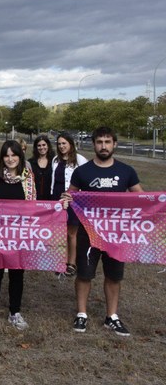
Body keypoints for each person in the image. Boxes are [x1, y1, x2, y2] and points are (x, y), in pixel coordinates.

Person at [66, 127, 142, 336]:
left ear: (114, 144)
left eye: (108, 142)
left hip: (116, 235)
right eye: (100, 142)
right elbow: (70, 196)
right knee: (84, 274)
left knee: (114, 276)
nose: (104, 146)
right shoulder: (83, 172)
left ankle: (112, 316)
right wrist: (65, 200)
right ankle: (82, 314)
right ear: (94, 144)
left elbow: (141, 198)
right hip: (88, 233)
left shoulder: (127, 171)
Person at [0, 140, 36, 330]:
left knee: (17, 273)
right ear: (2, 158)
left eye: (14, 155)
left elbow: (34, 208)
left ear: (20, 157)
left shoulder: (28, 179)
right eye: (7, 155)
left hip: (19, 235)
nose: (10, 159)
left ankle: (15, 312)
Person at [51, 133, 88, 277]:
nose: (61, 146)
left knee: (72, 233)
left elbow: (85, 180)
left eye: (64, 143)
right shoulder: (55, 160)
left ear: (71, 144)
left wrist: (80, 198)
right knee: (60, 232)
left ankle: (72, 263)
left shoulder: (80, 160)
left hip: (73, 201)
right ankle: (61, 261)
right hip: (57, 200)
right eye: (59, 144)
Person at [30, 135, 54, 201]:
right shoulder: (30, 163)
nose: (41, 147)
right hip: (34, 199)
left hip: (50, 199)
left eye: (44, 145)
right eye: (39, 145)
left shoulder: (54, 162)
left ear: (48, 146)